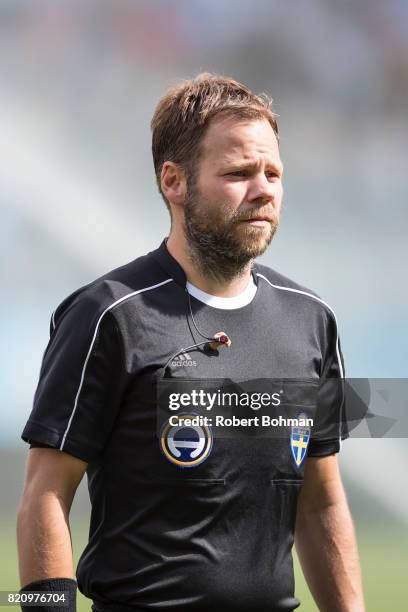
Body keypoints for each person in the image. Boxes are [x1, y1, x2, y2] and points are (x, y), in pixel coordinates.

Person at [17, 73, 365, 612]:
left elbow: (320, 501)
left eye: (274, 172)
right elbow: (44, 494)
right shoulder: (106, 315)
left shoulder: (312, 319)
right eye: (239, 172)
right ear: (174, 181)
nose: (264, 188)